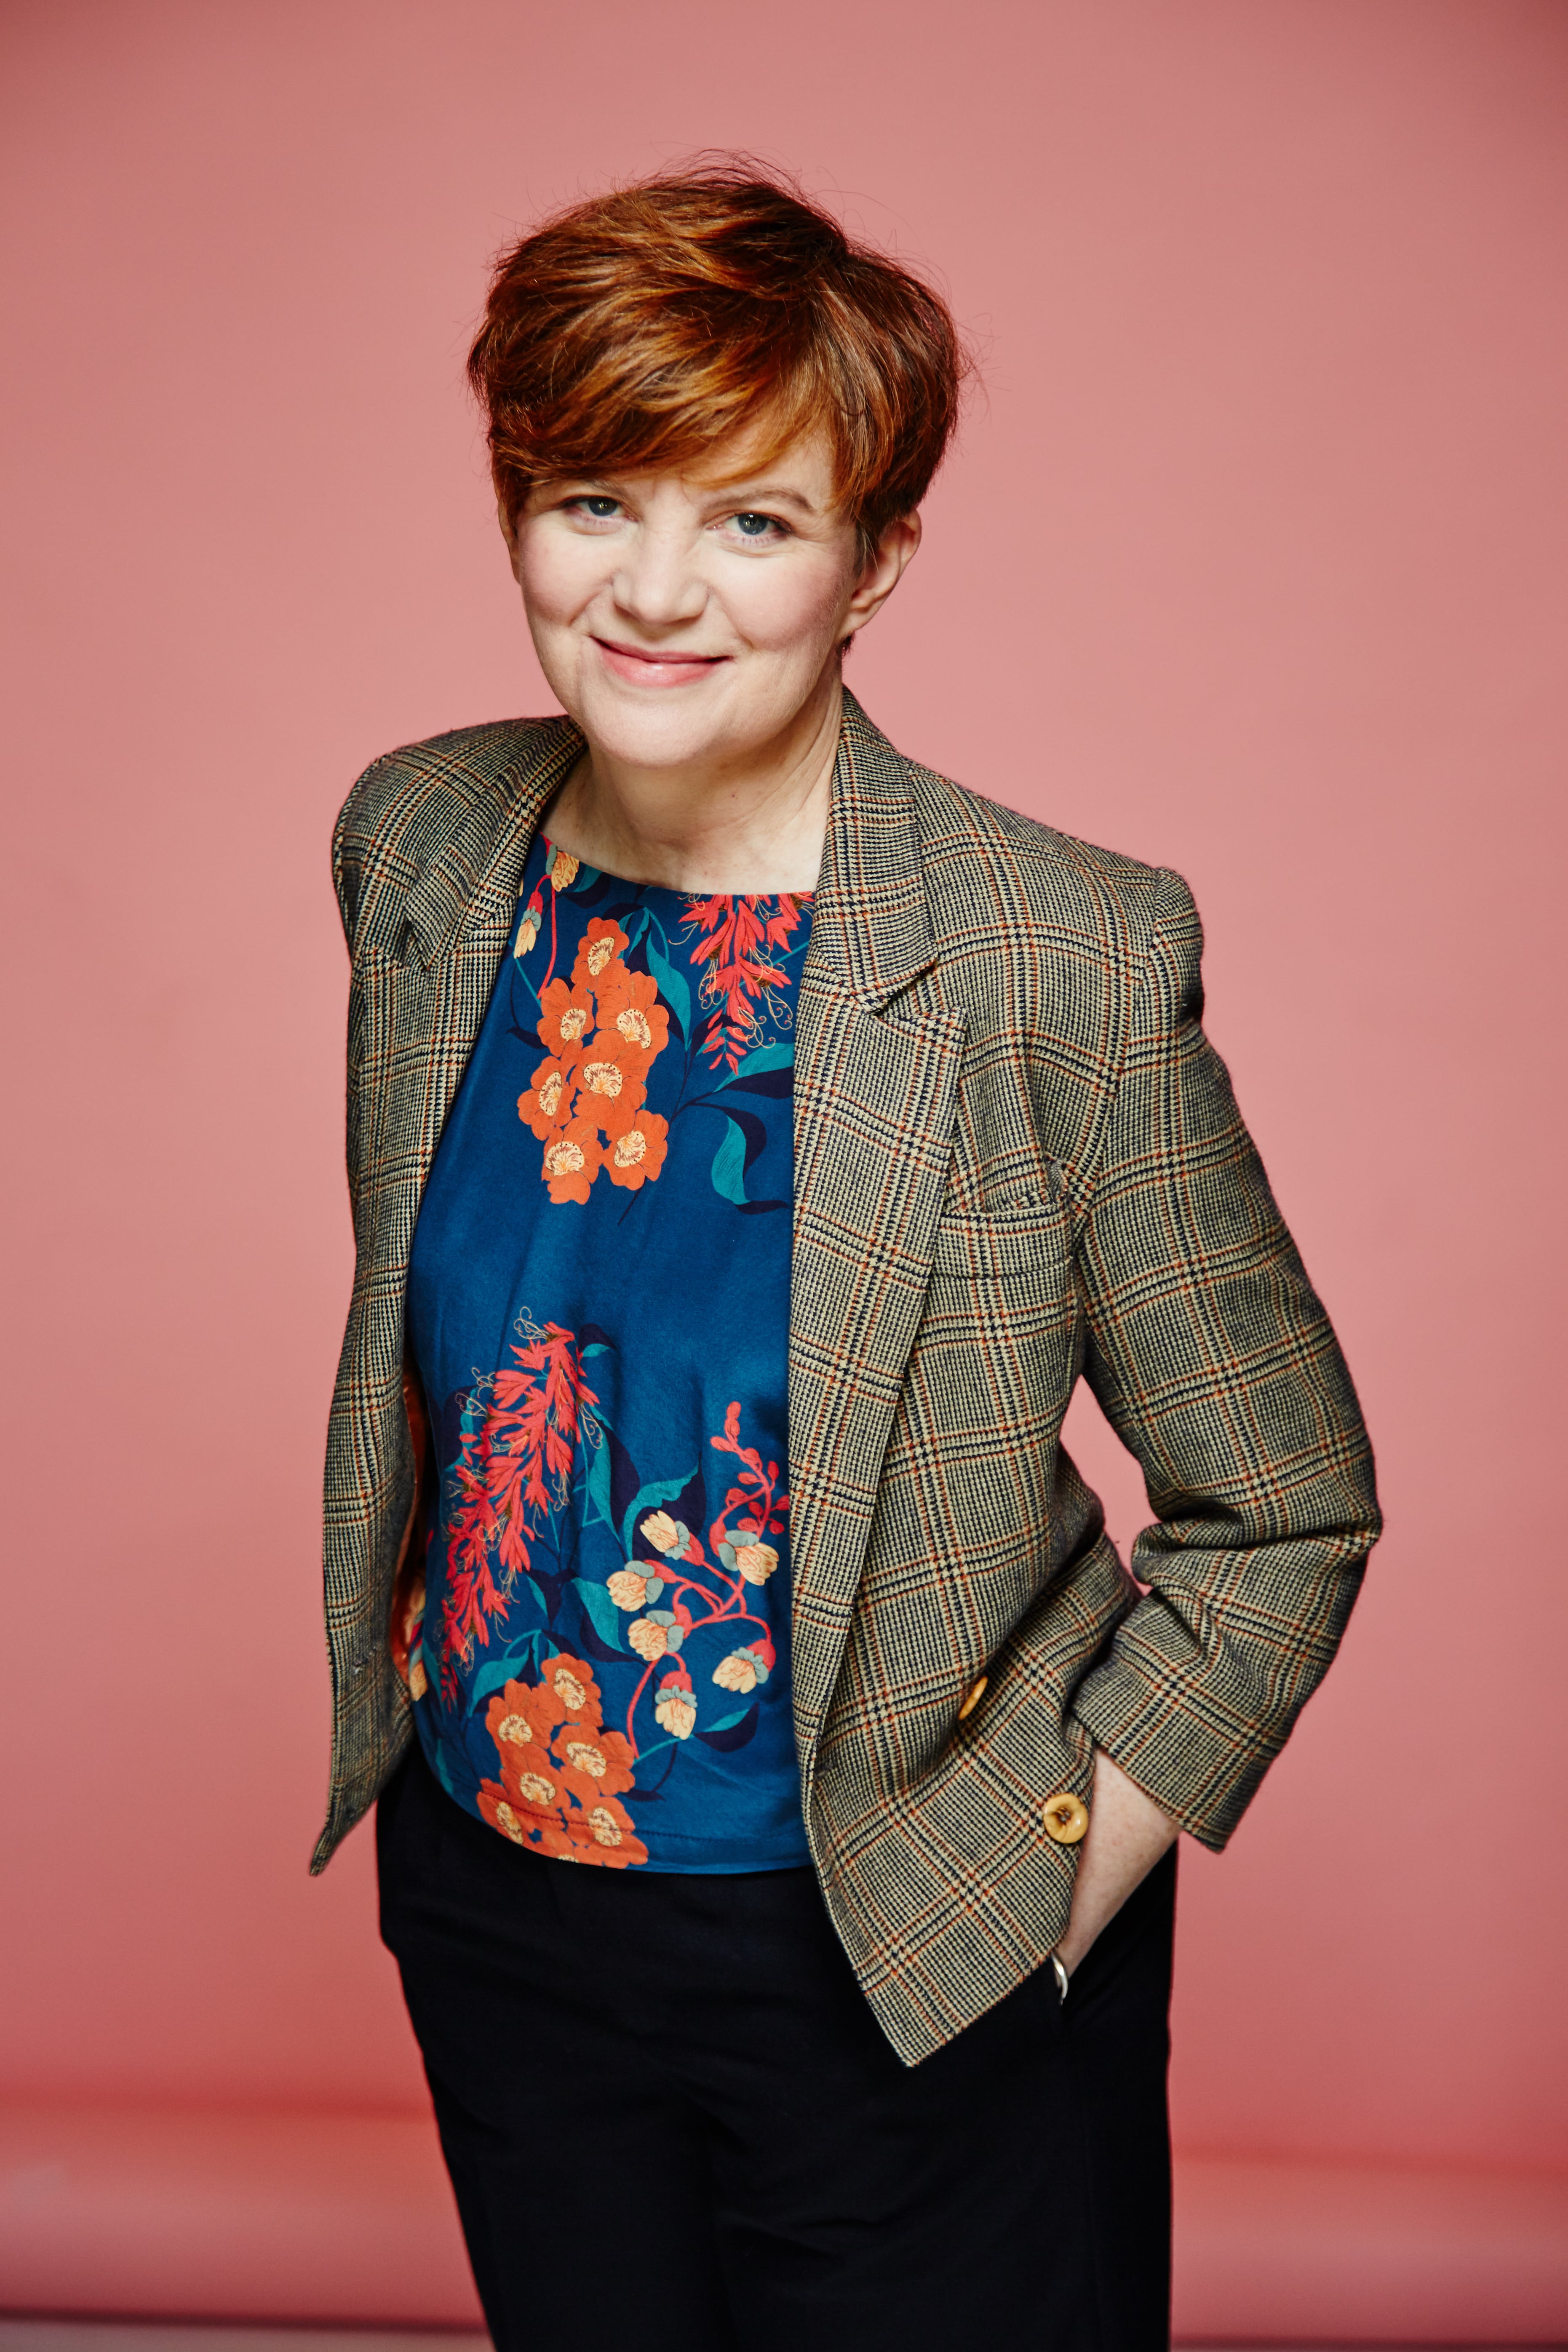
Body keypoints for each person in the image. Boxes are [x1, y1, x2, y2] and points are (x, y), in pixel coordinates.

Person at [314, 163, 1380, 2352]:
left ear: (877, 562)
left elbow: (1287, 1507)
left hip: (905, 1936)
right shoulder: (418, 844)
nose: (657, 591)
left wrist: (1050, 1884)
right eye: (597, 498)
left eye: (756, 522)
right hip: (503, 1905)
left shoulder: (1051, 952)